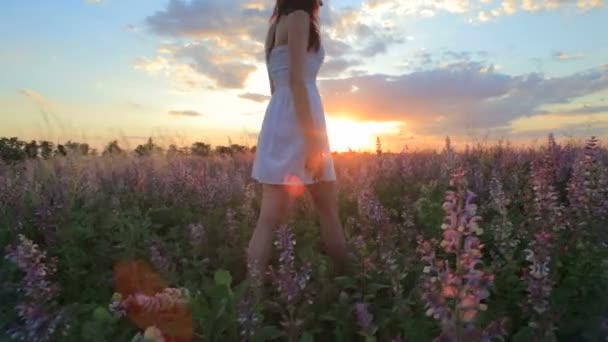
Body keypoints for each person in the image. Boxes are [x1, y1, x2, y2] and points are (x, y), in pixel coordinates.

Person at [248, 0, 349, 276]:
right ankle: (349, 283)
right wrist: (313, 141)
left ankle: (250, 302)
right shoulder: (300, 17)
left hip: (279, 114)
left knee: (268, 218)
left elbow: (276, 86)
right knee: (328, 209)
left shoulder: (274, 27)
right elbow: (297, 81)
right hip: (302, 117)